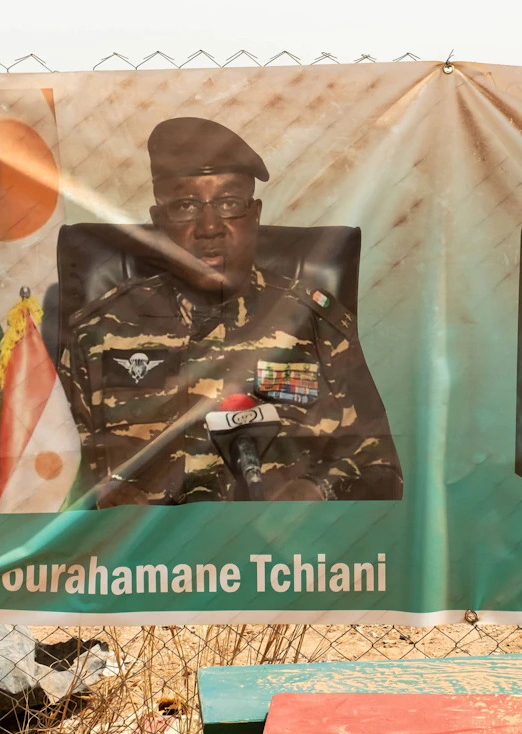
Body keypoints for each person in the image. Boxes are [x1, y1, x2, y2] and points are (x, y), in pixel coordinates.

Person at [57, 117, 402, 505]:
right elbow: (48, 475)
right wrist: (104, 501)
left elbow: (380, 468)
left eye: (229, 203)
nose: (210, 227)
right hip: (146, 545)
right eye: (185, 206)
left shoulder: (315, 325)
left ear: (255, 214)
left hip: (279, 544)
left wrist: (314, 491)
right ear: (159, 223)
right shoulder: (99, 334)